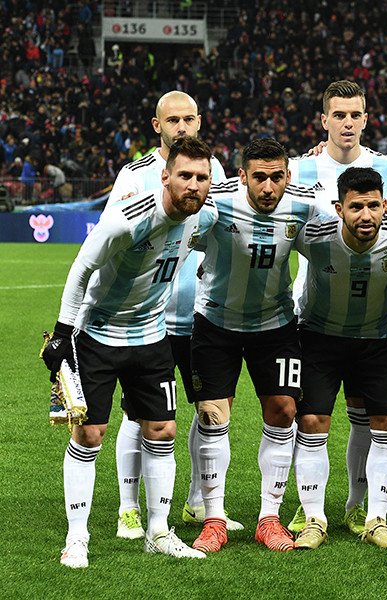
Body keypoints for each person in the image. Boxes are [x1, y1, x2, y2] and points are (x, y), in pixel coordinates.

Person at [41, 137, 217, 568]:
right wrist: (63, 333)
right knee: (89, 435)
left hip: (152, 337)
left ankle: (158, 532)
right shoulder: (127, 218)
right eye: (185, 176)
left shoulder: (205, 214)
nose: (193, 185)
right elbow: (82, 268)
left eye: (202, 177)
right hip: (98, 335)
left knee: (162, 431)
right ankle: (76, 538)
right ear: (165, 177)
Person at [284, 80, 387, 536]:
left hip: (372, 315)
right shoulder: (301, 168)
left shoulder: (386, 167)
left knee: (366, 414)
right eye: (338, 115)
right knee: (310, 417)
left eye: (355, 114)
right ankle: (308, 507)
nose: (347, 123)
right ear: (324, 120)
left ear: (365, 119)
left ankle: (359, 506)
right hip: (314, 306)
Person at [105, 90, 238, 540]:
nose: (181, 127)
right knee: (136, 415)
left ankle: (199, 503)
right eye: (173, 120)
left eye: (189, 119)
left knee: (210, 411)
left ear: (199, 122)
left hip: (200, 315)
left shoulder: (212, 169)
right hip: (147, 319)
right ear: (156, 125)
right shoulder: (134, 174)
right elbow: (112, 238)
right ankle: (128, 508)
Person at [189, 138, 322, 554]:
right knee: (212, 416)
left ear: (288, 176)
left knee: (284, 410)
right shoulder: (217, 202)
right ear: (242, 176)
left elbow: (347, 220)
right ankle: (214, 520)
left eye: (276, 177)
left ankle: (269, 518)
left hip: (275, 325)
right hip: (216, 324)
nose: (268, 187)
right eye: (259, 177)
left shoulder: (303, 206)